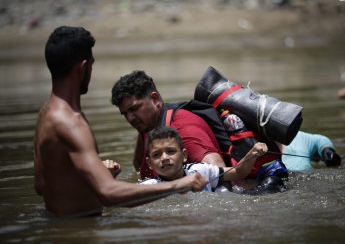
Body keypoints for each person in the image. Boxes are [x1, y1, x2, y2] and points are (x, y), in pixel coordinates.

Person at [34, 26, 207, 217]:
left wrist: (95, 177)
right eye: (91, 65)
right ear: (83, 68)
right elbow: (108, 193)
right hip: (81, 231)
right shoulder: (72, 123)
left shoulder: (45, 114)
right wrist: (178, 184)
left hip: (60, 226)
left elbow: (41, 184)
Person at [111, 70, 288, 193]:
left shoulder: (183, 129)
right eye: (124, 113)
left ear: (155, 99)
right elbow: (138, 168)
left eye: (134, 109)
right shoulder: (148, 125)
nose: (130, 118)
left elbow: (223, 176)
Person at [140, 127, 268, 192]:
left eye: (171, 151)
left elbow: (238, 173)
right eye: (156, 155)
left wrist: (252, 154)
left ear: (184, 155)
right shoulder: (148, 188)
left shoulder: (200, 171)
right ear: (150, 163)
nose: (164, 158)